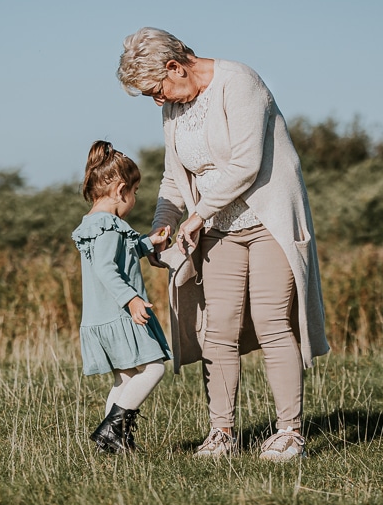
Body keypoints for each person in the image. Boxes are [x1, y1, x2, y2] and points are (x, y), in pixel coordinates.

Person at [117, 27, 330, 461]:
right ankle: (222, 433)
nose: (158, 101)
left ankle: (289, 432)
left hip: (266, 222)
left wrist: (196, 215)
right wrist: (164, 222)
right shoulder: (175, 107)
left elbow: (246, 164)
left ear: (175, 67)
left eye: (157, 90)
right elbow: (175, 175)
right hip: (219, 229)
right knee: (218, 330)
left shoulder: (240, 83)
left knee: (272, 322)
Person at [71, 140, 172, 453]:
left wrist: (147, 242)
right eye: (136, 192)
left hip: (102, 316)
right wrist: (132, 299)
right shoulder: (110, 225)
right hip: (120, 313)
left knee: (126, 378)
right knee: (154, 368)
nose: (135, 199)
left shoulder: (94, 224)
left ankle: (111, 443)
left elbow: (119, 256)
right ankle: (112, 431)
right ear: (120, 190)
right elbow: (105, 267)